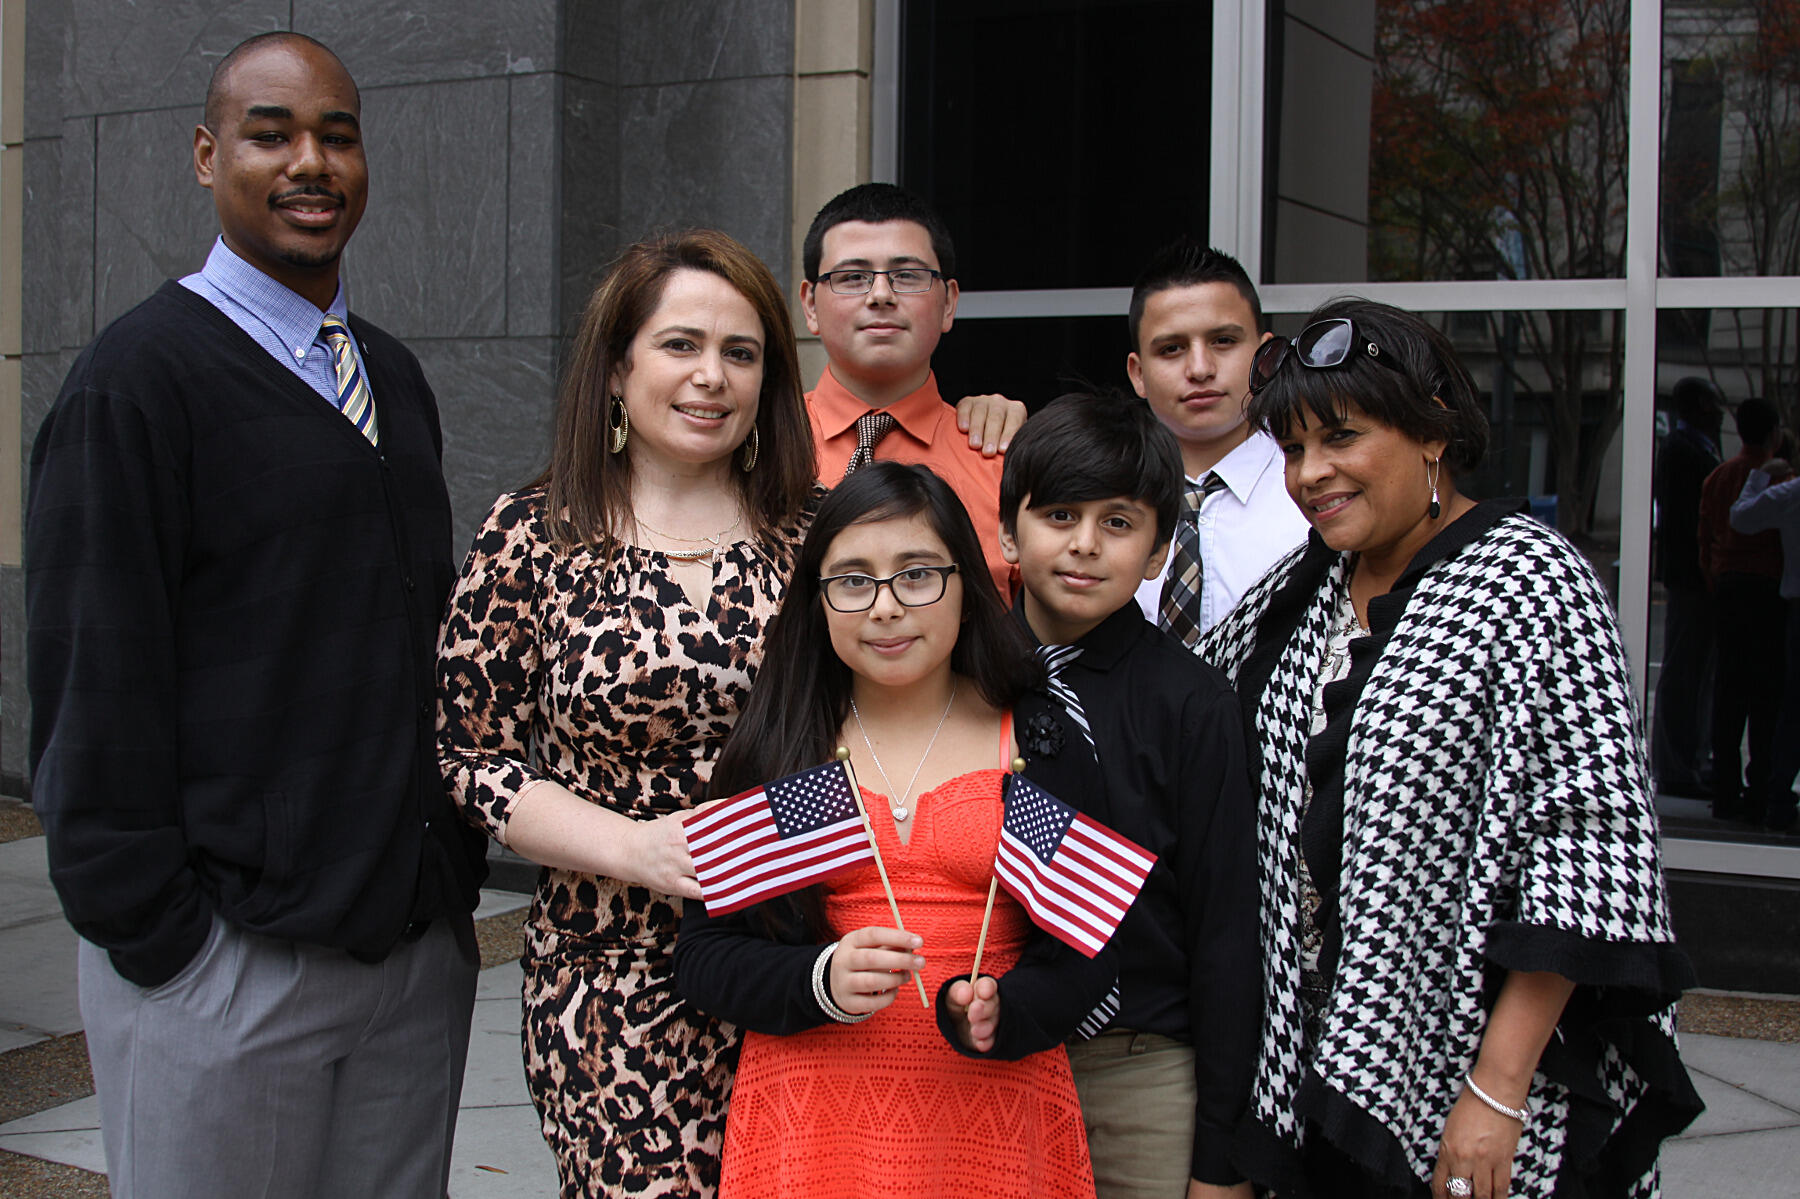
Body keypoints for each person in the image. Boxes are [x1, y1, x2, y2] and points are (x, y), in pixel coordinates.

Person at [25, 32, 488, 1198]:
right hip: (228, 965)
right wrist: (166, 943)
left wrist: (445, 877)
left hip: (407, 950)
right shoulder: (136, 382)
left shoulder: (388, 373)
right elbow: (93, 681)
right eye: (272, 132)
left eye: (337, 133)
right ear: (205, 153)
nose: (310, 161)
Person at [1197, 300, 1701, 1198]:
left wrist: (1495, 1092)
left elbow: (1588, 853)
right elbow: (1173, 714)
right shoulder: (1297, 591)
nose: (1313, 475)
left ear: (1431, 431)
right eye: (1294, 450)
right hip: (1314, 1070)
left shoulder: (1529, 581)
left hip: (1480, 1084)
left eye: (1342, 437)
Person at [437, 229, 817, 1197]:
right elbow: (473, 754)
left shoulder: (816, 534)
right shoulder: (534, 532)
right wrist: (638, 847)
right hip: (608, 972)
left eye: (741, 352)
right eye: (680, 345)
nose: (712, 377)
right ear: (617, 366)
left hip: (792, 961)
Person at [674, 462, 1112, 1199]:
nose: (884, 606)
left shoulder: (1032, 735)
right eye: (852, 579)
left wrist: (1014, 1007)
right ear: (817, 601)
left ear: (967, 589)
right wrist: (819, 979)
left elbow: (1090, 947)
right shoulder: (786, 746)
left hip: (993, 1116)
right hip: (812, 1121)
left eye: (916, 575)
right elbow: (706, 956)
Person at [995, 392, 1260, 1199]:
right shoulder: (957, 678)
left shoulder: (1194, 704)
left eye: (1118, 522)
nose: (1084, 545)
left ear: (1157, 551)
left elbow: (1225, 932)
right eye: (1061, 514)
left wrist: (1220, 1160)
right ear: (1010, 530)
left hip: (1141, 1068)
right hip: (984, 1050)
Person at [800, 182, 1025, 594]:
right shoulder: (760, 444)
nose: (881, 295)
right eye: (852, 277)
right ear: (810, 305)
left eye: (907, 276)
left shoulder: (1004, 458)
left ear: (949, 303)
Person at [1126, 239, 1309, 644]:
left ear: (1265, 357)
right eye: (1171, 349)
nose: (1200, 368)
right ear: (1138, 373)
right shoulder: (1102, 492)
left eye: (1223, 341)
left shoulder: (1314, 494)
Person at [1698, 397, 1786, 823]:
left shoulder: (1717, 477)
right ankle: (1761, 787)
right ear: (1774, 435)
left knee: (1728, 691)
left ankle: (1725, 789)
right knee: (1766, 695)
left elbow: (1705, 539)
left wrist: (1715, 580)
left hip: (1729, 587)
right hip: (1767, 590)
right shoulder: (1779, 477)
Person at [1650, 377, 1723, 797]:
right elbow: (1683, 518)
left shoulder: (1700, 447)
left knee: (1700, 672)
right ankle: (1676, 765)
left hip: (1702, 575)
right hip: (1690, 575)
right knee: (1684, 670)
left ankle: (1692, 759)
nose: (1718, 412)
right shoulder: (1681, 450)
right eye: (1712, 404)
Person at [1729, 451, 1800, 832]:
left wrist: (1759, 475)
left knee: (1792, 710)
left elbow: (1742, 518)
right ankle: (1779, 797)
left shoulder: (1792, 493)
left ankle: (1779, 798)